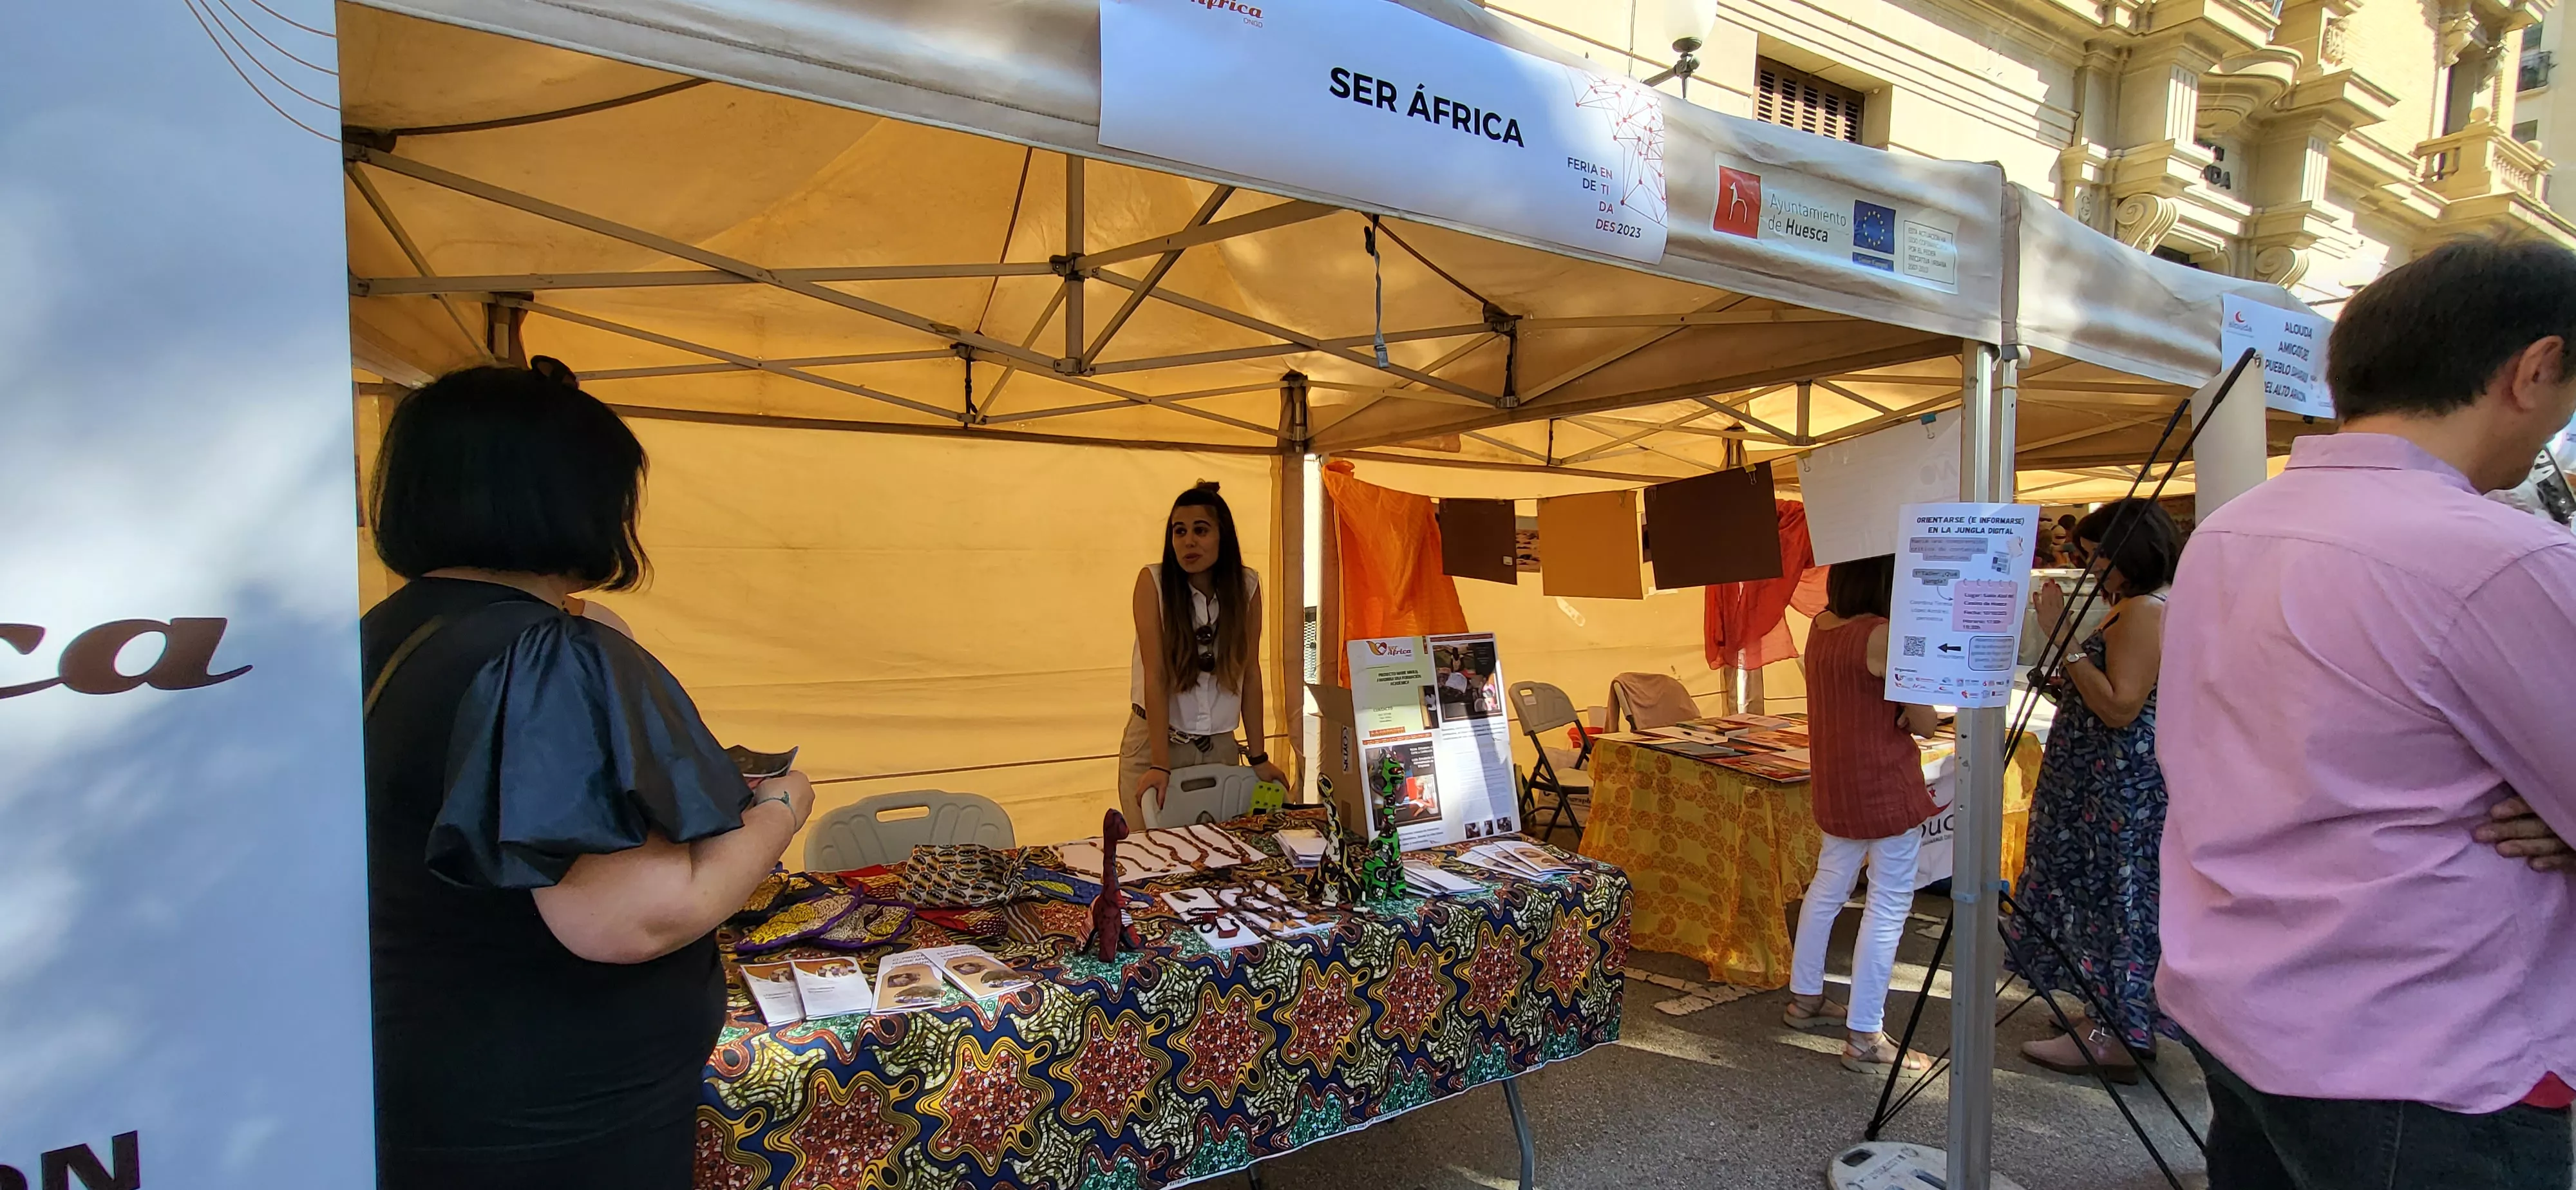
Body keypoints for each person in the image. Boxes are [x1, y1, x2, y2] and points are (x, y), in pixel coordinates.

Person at [2160, 238, 2576, 1189]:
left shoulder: (2231, 528)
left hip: (2249, 1010)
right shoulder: (2503, 557)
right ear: (2536, 368)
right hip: (2426, 1053)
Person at [362, 363, 814, 1190]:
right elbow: (633, 919)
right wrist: (783, 807)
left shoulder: (385, 635)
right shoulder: (545, 659)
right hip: (552, 1120)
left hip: (434, 1083)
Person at [2003, 497, 2180, 1082]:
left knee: (2113, 899)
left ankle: (2114, 1032)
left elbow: (2120, 706)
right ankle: (2107, 1016)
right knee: (2105, 896)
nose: (2089, 569)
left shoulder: (2145, 611)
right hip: (2105, 782)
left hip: (2116, 787)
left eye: (2095, 557)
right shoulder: (2138, 606)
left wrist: (2064, 637)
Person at [1783, 554, 1940, 1074]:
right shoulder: (1883, 634)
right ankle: (1866, 1033)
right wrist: (1907, 711)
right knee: (1888, 904)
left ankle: (1805, 997)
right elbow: (1925, 721)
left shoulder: (1821, 626)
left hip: (1836, 780)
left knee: (1828, 885)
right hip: (1884, 783)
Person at [1122, 482, 1287, 824]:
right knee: (1155, 850)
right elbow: (1155, 676)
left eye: (1200, 530)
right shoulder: (1153, 583)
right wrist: (1160, 764)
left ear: (1222, 536)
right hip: (1156, 741)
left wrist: (1258, 756)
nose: (1188, 542)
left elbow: (1250, 672)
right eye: (1179, 531)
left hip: (1219, 744)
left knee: (1221, 847)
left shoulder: (1247, 586)